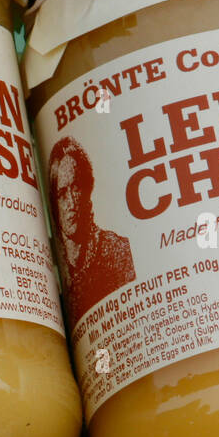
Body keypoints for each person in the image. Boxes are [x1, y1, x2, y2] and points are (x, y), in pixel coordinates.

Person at [48, 136, 135, 323]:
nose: (72, 203)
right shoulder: (53, 278)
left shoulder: (116, 251)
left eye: (77, 188)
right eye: (62, 194)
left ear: (88, 189)